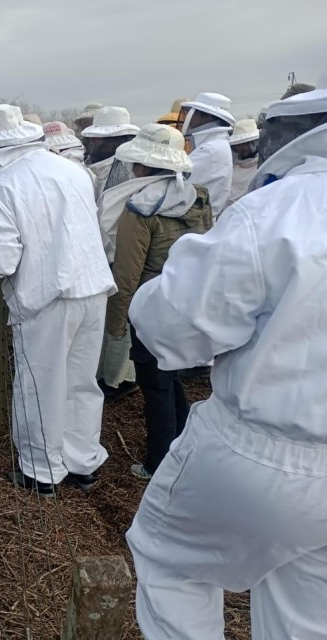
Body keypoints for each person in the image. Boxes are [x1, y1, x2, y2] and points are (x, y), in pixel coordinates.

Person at [125, 89, 327, 639]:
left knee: (169, 561)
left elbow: (176, 325)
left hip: (266, 448)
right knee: (308, 617)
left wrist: (144, 301)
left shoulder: (284, 207)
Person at [0, 104, 115, 496]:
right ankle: (83, 463)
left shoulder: (2, 186)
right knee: (80, 382)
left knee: (39, 384)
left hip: (47, 298)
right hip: (93, 289)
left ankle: (40, 471)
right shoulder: (72, 171)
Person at [105, 124, 213, 479]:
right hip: (188, 302)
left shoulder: (140, 209)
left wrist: (116, 323)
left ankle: (160, 462)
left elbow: (126, 274)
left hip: (152, 308)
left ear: (145, 168)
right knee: (171, 377)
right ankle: (183, 443)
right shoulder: (198, 197)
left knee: (156, 386)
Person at [178, 93, 235, 218]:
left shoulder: (211, 149)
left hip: (197, 221)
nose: (188, 118)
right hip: (200, 217)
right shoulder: (215, 144)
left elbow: (178, 184)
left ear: (206, 116)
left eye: (193, 113)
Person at [81, 106, 140, 200]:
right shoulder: (100, 171)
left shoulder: (126, 173)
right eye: (92, 137)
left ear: (114, 140)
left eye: (96, 137)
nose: (92, 141)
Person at [224, 118, 259, 210]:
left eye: (245, 144)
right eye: (238, 144)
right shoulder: (232, 167)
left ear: (254, 143)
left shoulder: (262, 166)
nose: (241, 148)